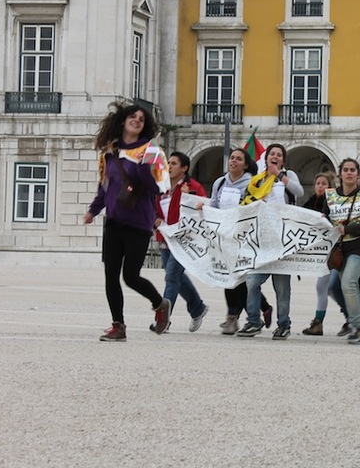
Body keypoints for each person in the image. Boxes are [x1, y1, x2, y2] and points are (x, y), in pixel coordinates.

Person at [83, 101, 172, 342]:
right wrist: (93, 211)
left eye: (141, 119)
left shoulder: (151, 151)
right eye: (133, 116)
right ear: (123, 120)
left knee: (131, 276)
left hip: (138, 223)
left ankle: (160, 303)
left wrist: (143, 168)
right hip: (114, 221)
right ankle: (118, 326)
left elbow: (159, 188)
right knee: (111, 275)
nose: (136, 121)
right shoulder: (110, 152)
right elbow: (105, 187)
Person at [236, 144, 304, 339]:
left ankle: (283, 324)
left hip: (282, 240)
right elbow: (246, 201)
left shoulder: (288, 175)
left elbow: (298, 191)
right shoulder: (258, 179)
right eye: (272, 154)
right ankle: (253, 321)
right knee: (252, 281)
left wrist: (279, 175)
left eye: (279, 155)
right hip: (262, 240)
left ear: (283, 160)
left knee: (282, 288)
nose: (275, 156)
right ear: (266, 159)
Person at [207, 148, 272, 335]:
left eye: (238, 159)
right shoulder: (220, 182)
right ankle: (259, 308)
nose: (233, 161)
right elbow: (214, 206)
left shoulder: (251, 183)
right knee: (230, 279)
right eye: (232, 158)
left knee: (241, 280)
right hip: (224, 237)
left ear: (245, 165)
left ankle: (234, 317)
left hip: (244, 238)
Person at [321, 158, 360, 343]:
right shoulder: (330, 196)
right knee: (342, 286)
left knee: (348, 283)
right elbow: (324, 219)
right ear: (340, 174)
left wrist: (348, 229)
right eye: (345, 170)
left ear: (357, 174)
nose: (349, 173)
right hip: (339, 249)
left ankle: (359, 327)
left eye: (352, 170)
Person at [155, 151, 208, 333]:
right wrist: (154, 220)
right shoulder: (161, 187)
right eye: (168, 163)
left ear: (184, 168)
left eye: (174, 163)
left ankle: (163, 319)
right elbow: (152, 208)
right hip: (165, 238)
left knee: (171, 277)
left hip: (184, 240)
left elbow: (202, 209)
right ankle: (198, 307)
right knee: (177, 277)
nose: (169, 166)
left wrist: (189, 198)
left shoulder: (192, 187)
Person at [301, 171, 341, 336]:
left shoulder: (332, 203)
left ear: (330, 187)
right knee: (323, 287)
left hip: (333, 250)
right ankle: (319, 322)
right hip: (320, 252)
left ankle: (352, 317)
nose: (320, 186)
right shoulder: (311, 202)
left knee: (334, 287)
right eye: (318, 183)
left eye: (324, 184)